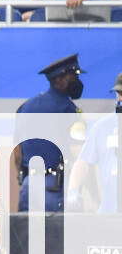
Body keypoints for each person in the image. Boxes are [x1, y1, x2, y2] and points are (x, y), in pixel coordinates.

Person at [13, 54, 85, 213]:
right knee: (56, 237)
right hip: (54, 187)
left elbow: (17, 152)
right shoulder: (70, 111)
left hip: (28, 185)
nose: (77, 82)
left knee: (27, 235)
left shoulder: (25, 107)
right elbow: (77, 153)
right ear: (59, 79)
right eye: (73, 76)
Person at [68, 72, 122, 214]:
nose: (120, 98)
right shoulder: (103, 126)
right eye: (119, 93)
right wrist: (73, 192)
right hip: (109, 212)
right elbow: (83, 162)